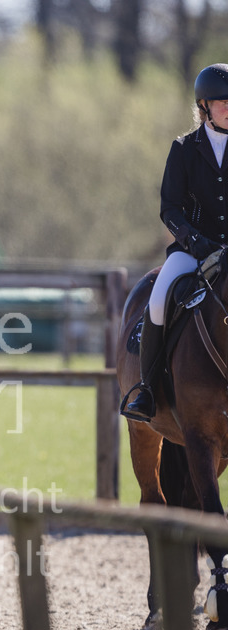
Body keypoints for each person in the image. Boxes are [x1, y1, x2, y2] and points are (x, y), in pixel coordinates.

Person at [121, 63, 228, 422]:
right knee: (157, 299)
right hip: (193, 251)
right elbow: (170, 208)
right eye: (221, 102)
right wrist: (196, 242)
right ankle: (147, 390)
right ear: (204, 107)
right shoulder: (183, 149)